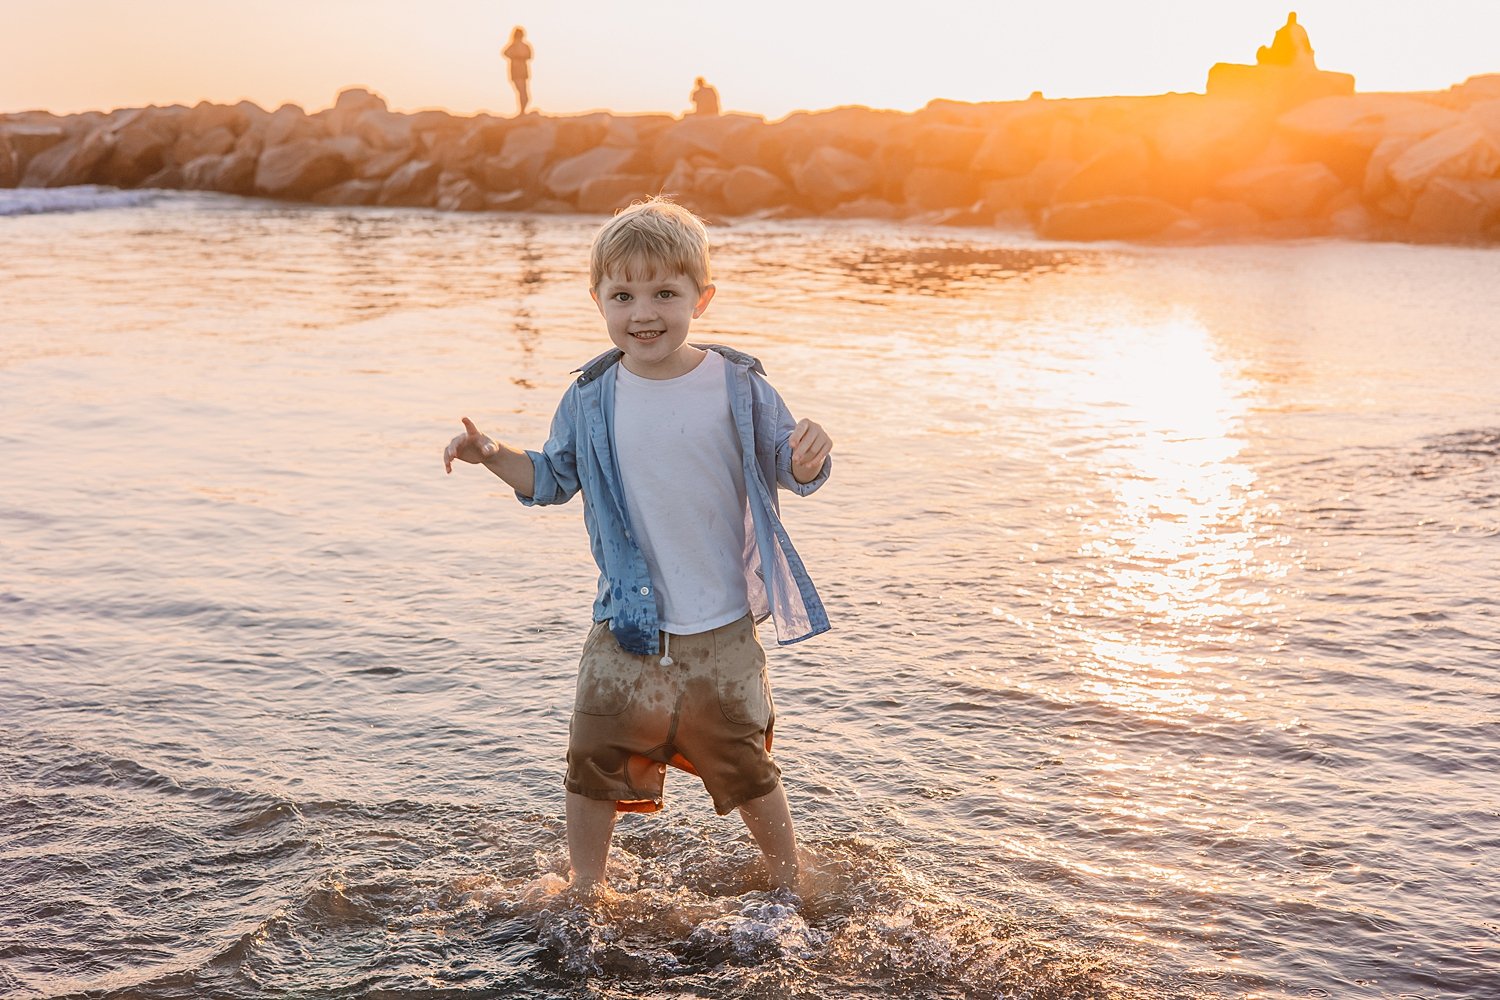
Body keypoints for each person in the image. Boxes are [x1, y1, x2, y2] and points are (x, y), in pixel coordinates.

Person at [443, 198, 833, 895]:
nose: (643, 312)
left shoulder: (737, 384)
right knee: (593, 753)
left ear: (701, 299)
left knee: (743, 765)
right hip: (626, 623)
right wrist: (491, 451)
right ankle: (587, 887)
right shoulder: (592, 397)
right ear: (597, 300)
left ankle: (789, 881)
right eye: (622, 294)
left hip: (721, 626)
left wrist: (808, 457)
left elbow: (791, 468)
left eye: (664, 293)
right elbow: (552, 477)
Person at [502, 26, 534, 115]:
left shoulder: (525, 46)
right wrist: (516, 56)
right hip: (515, 72)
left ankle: (522, 111)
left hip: (523, 71)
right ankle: (522, 111)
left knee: (524, 93)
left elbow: (529, 56)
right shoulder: (513, 45)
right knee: (521, 92)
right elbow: (504, 53)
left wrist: (520, 57)